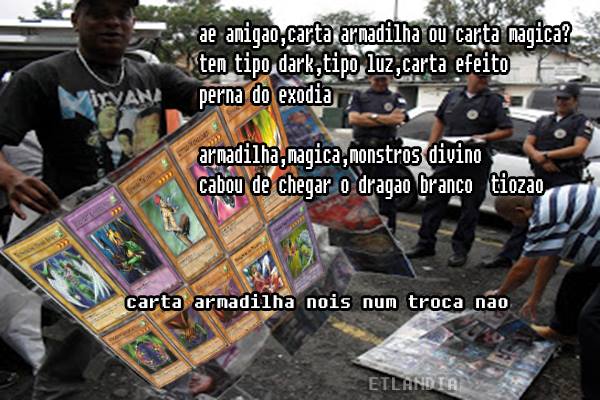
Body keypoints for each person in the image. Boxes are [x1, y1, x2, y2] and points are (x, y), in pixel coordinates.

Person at [0, 0, 205, 398]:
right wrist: (10, 176)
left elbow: (222, 105)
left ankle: (171, 388)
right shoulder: (41, 77)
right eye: (99, 13)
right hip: (75, 234)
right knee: (74, 340)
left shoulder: (155, 75)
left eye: (122, 14)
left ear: (133, 23)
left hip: (152, 224)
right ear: (76, 19)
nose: (112, 22)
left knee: (170, 322)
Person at [488, 185, 600, 400]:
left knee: (592, 318)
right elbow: (550, 257)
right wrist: (535, 298)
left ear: (521, 211)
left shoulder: (544, 214)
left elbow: (522, 269)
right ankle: (563, 331)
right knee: (576, 278)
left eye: (511, 220)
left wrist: (498, 294)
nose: (513, 225)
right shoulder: (550, 201)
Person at [479, 82, 593, 269]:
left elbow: (579, 148)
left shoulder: (580, 122)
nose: (561, 102)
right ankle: (508, 256)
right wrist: (540, 158)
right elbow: (527, 144)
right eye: (559, 98)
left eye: (566, 99)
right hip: (540, 176)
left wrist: (546, 155)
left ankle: (548, 264)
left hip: (564, 179)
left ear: (575, 100)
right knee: (523, 216)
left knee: (558, 222)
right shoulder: (544, 120)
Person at [406, 73, 513, 267]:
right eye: (480, 76)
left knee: (469, 208)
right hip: (448, 156)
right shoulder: (453, 96)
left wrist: (485, 137)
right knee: (434, 202)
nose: (484, 80)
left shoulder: (494, 101)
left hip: (475, 160)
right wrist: (431, 144)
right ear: (469, 75)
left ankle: (460, 250)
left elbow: (507, 130)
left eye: (487, 77)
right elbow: (439, 120)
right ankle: (425, 243)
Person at [346, 75, 408, 234]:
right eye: (377, 79)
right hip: (361, 149)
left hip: (386, 150)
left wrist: (368, 116)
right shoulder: (358, 95)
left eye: (384, 79)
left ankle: (389, 233)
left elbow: (398, 119)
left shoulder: (396, 97)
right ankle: (355, 231)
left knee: (387, 194)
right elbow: (353, 119)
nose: (381, 82)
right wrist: (386, 118)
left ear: (390, 79)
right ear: (370, 78)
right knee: (355, 193)